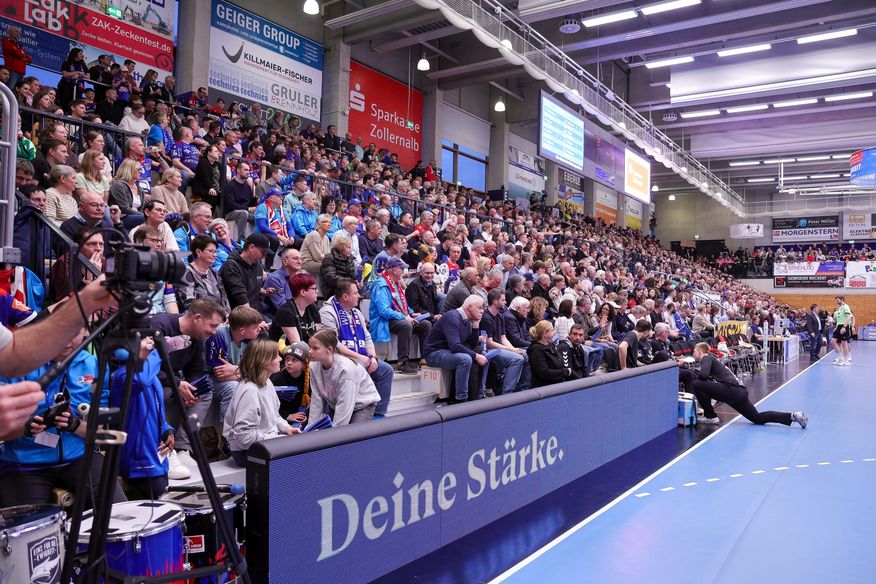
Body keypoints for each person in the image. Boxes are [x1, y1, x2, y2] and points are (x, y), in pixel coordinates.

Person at [0, 326, 126, 507]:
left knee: (116, 510)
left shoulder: (94, 364)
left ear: (86, 331)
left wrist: (74, 425)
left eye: (75, 331)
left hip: (79, 457)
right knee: (30, 524)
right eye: (64, 330)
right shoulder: (18, 364)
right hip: (25, 464)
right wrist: (25, 427)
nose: (68, 339)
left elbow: (101, 431)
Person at [150, 299, 226, 478]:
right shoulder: (160, 325)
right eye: (212, 325)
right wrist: (177, 383)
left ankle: (183, 448)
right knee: (156, 392)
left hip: (171, 383)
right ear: (197, 318)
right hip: (150, 384)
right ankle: (164, 450)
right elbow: (145, 366)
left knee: (205, 393)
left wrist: (192, 389)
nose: (214, 331)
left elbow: (196, 370)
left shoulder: (197, 338)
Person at [682, 342, 808, 428]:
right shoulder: (711, 360)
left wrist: (687, 366)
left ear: (700, 351)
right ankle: (793, 416)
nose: (693, 354)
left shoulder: (707, 358)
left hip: (731, 390)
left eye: (694, 351)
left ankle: (710, 416)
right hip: (739, 392)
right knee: (757, 418)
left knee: (697, 384)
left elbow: (703, 376)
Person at [320, 278, 395, 419]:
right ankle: (354, 411)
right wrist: (363, 358)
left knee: (386, 370)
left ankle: (378, 414)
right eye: (355, 293)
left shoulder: (356, 313)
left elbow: (367, 338)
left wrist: (372, 357)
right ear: (345, 297)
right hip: (339, 358)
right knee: (360, 366)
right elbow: (334, 343)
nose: (359, 296)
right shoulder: (327, 312)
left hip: (360, 357)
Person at [111, 337, 173, 500]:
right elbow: (140, 380)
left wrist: (167, 430)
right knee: (164, 507)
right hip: (140, 461)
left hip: (157, 457)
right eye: (145, 340)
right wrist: (158, 352)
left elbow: (156, 409)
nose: (151, 342)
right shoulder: (122, 376)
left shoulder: (150, 374)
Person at [224, 339, 298, 467]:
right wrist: (279, 440)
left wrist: (287, 429)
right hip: (246, 452)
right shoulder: (249, 391)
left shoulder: (267, 382)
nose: (280, 359)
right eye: (276, 356)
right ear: (264, 362)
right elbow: (244, 437)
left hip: (266, 443)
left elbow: (275, 416)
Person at [370, 258, 431, 374]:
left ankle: (425, 359)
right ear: (394, 270)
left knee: (426, 324)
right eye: (401, 268)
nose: (404, 271)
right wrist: (404, 317)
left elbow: (402, 304)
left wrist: (411, 312)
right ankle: (402, 363)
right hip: (384, 320)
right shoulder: (381, 285)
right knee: (406, 325)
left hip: (399, 317)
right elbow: (384, 311)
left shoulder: (396, 283)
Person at [307, 329, 381, 425]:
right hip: (336, 403)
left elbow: (345, 404)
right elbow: (316, 400)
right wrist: (311, 427)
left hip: (361, 405)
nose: (310, 351)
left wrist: (337, 432)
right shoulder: (313, 366)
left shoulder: (346, 369)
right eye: (310, 347)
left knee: (352, 433)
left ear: (329, 350)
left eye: (315, 348)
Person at [423, 295, 488, 402]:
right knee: (465, 359)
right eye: (479, 307)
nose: (482, 311)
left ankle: (479, 393)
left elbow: (472, 344)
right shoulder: (453, 317)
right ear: (470, 307)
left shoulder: (467, 320)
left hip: (447, 351)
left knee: (483, 355)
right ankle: (461, 399)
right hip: (434, 353)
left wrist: (476, 325)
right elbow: (455, 346)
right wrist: (476, 356)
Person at [206, 306, 264, 428]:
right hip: (209, 378)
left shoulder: (252, 338)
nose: (259, 329)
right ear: (242, 331)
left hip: (236, 376)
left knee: (261, 384)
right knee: (233, 388)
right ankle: (228, 431)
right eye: (255, 327)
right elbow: (220, 375)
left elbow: (260, 370)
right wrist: (245, 372)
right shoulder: (219, 335)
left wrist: (235, 370)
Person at [480, 288, 527, 394]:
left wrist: (514, 349)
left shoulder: (500, 316)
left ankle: (523, 387)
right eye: (503, 300)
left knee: (526, 354)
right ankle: (507, 392)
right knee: (517, 359)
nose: (505, 302)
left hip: (499, 348)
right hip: (489, 350)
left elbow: (503, 338)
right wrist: (513, 351)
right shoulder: (486, 318)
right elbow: (489, 343)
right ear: (495, 302)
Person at [177, 235, 230, 312]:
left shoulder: (214, 272)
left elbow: (224, 299)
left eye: (215, 252)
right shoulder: (186, 272)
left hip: (218, 316)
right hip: (198, 316)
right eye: (211, 251)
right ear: (198, 252)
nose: (215, 255)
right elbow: (188, 303)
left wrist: (226, 315)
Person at [220, 233, 270, 310]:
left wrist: (264, 292)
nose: (264, 257)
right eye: (263, 252)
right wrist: (253, 315)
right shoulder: (231, 266)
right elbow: (239, 295)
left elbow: (250, 286)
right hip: (238, 313)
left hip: (254, 310)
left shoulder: (258, 267)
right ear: (252, 247)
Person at [527, 320, 581, 388]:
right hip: (545, 388)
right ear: (545, 334)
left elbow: (561, 365)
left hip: (559, 383)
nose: (554, 333)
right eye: (552, 330)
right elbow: (544, 373)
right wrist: (564, 372)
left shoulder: (551, 345)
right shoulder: (536, 351)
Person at [269, 273, 320, 343]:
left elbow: (319, 335)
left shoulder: (312, 307)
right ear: (303, 292)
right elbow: (296, 345)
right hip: (287, 349)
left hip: (309, 347)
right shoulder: (285, 313)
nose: (317, 291)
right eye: (314, 289)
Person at [262, 247, 302, 318]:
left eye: (301, 259)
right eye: (295, 258)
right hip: (275, 319)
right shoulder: (274, 279)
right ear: (284, 261)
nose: (299, 262)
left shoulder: (300, 278)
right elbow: (283, 307)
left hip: (293, 316)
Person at [108, 158, 146, 229]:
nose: (141, 172)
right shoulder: (118, 185)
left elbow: (142, 208)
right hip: (122, 217)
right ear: (129, 170)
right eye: (138, 169)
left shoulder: (139, 188)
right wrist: (147, 216)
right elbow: (125, 209)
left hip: (138, 217)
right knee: (151, 219)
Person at [832, 296, 852, 366]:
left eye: (838, 300)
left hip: (844, 326)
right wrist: (836, 327)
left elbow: (849, 317)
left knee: (844, 344)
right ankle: (840, 358)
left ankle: (846, 360)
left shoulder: (846, 307)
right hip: (839, 326)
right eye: (836, 300)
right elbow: (839, 319)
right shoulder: (839, 308)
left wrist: (844, 327)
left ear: (842, 300)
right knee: (833, 341)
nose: (837, 302)